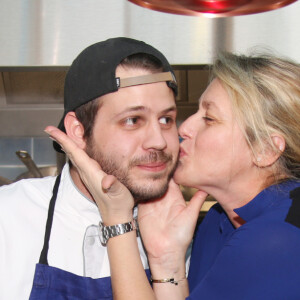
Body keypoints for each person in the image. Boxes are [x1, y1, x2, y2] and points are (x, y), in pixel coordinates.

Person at [48, 51, 300, 300]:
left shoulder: (277, 240)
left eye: (209, 119)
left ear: (265, 149)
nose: (185, 128)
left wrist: (116, 219)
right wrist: (168, 264)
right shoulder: (218, 221)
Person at [0, 37, 180, 300]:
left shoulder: (174, 234)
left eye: (166, 119)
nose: (159, 141)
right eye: (132, 120)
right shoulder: (8, 215)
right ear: (78, 131)